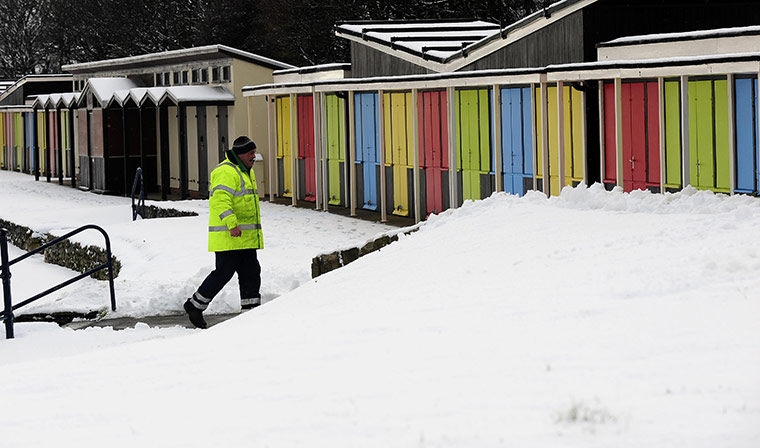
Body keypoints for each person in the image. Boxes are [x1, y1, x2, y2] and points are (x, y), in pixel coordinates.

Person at [184, 136, 263, 329]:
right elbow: (220, 201)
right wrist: (231, 224)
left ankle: (251, 313)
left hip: (245, 238)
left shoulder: (245, 171)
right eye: (251, 153)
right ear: (240, 154)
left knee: (251, 273)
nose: (254, 156)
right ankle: (195, 305)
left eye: (254, 152)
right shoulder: (226, 172)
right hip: (230, 236)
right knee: (223, 274)